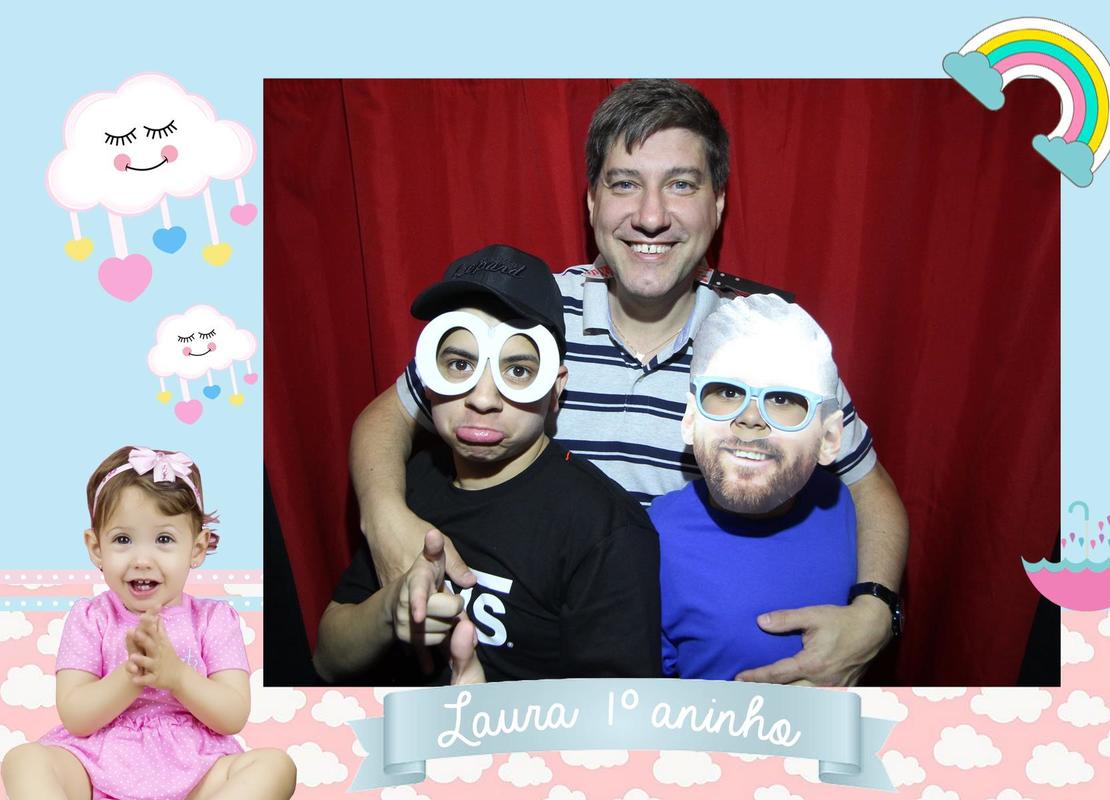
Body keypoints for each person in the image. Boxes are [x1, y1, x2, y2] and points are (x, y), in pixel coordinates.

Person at [350, 79, 909, 686]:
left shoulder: (763, 338)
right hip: (544, 664)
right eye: (624, 184)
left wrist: (876, 610)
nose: (650, 216)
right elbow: (388, 416)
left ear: (718, 204)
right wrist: (383, 517)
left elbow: (868, 485)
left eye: (681, 184)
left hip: (698, 673)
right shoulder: (528, 316)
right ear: (592, 202)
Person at [314, 244, 661, 684]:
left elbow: (618, 715)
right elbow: (326, 660)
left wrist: (485, 714)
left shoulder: (603, 531)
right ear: (427, 378)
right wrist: (389, 609)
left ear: (555, 389)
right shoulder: (410, 483)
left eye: (517, 371)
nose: (482, 399)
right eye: (460, 364)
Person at [1, 446, 296, 800]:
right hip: (96, 764)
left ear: (197, 548)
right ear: (95, 547)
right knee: (23, 760)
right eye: (123, 539)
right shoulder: (91, 618)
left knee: (275, 766)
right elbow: (76, 716)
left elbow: (232, 715)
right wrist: (132, 675)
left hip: (194, 770)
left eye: (164, 539)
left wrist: (176, 676)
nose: (142, 559)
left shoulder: (214, 620)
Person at [654, 294, 859, 679]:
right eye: (727, 393)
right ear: (690, 420)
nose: (750, 418)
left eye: (782, 399)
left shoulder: (843, 508)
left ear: (830, 438)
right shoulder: (652, 538)